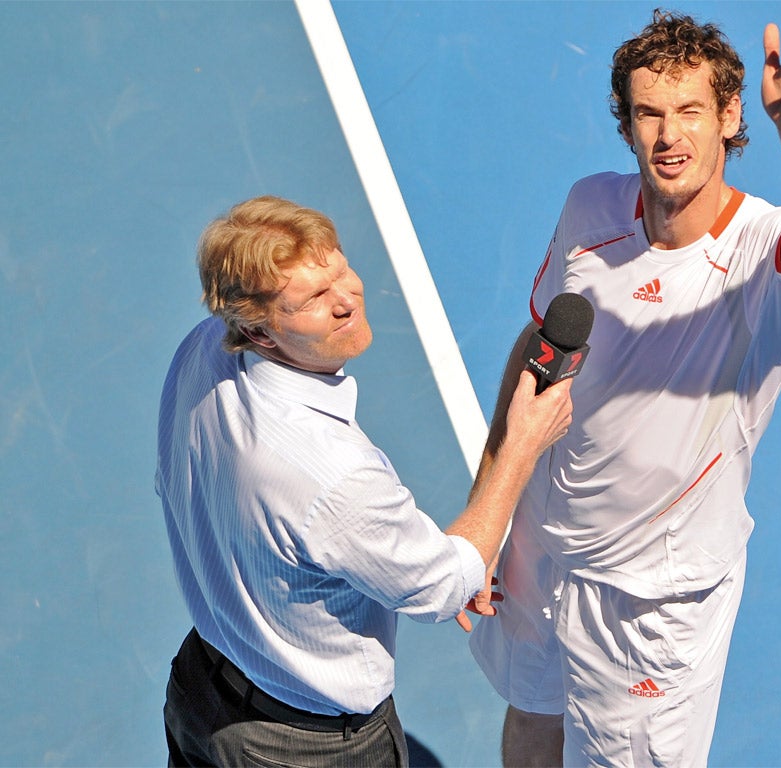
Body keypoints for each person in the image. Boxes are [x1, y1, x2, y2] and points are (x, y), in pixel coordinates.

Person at [467, 10, 781, 767]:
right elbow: (541, 345)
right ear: (625, 124)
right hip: (543, 545)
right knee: (532, 721)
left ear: (730, 117)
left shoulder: (763, 252)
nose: (668, 136)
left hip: (652, 598)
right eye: (649, 113)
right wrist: (491, 511)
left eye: (690, 112)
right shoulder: (589, 209)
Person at [156, 195, 573, 767]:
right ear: (261, 333)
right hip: (303, 749)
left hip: (202, 693)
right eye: (312, 299)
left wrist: (419, 559)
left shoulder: (203, 352)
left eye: (339, 271)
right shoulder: (333, 476)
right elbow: (444, 588)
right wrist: (521, 445)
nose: (346, 300)